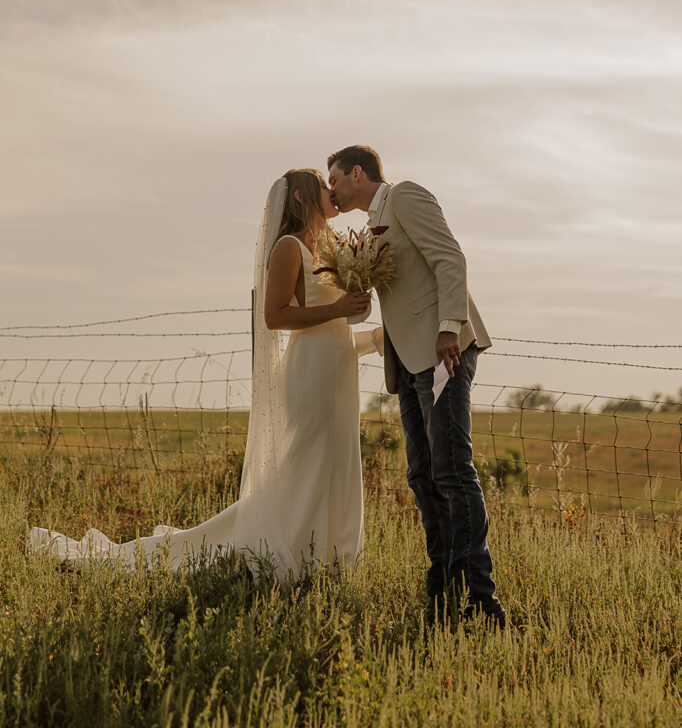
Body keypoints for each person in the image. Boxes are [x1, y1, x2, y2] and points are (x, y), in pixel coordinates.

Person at [28, 169, 382, 580]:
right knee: (307, 464)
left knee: (337, 461)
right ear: (302, 198)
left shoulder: (329, 250)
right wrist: (339, 310)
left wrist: (377, 338)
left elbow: (336, 331)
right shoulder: (288, 247)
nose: (331, 192)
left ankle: (330, 557)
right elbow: (274, 315)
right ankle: (290, 555)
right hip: (308, 374)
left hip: (338, 372)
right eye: (323, 185)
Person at [327, 145, 505, 628]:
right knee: (422, 476)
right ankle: (443, 591)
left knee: (451, 471)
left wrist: (450, 326)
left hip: (442, 351)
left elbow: (450, 258)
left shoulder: (405, 196)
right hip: (406, 364)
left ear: (357, 173)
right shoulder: (369, 227)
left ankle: (481, 601)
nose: (332, 190)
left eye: (335, 180)